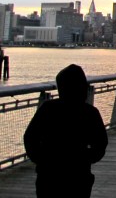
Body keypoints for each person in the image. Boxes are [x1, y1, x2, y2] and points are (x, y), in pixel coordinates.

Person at [24, 64, 108, 198]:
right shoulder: (90, 112)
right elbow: (101, 143)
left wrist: (41, 159)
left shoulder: (48, 109)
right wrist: (86, 158)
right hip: (79, 174)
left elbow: (30, 137)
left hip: (49, 174)